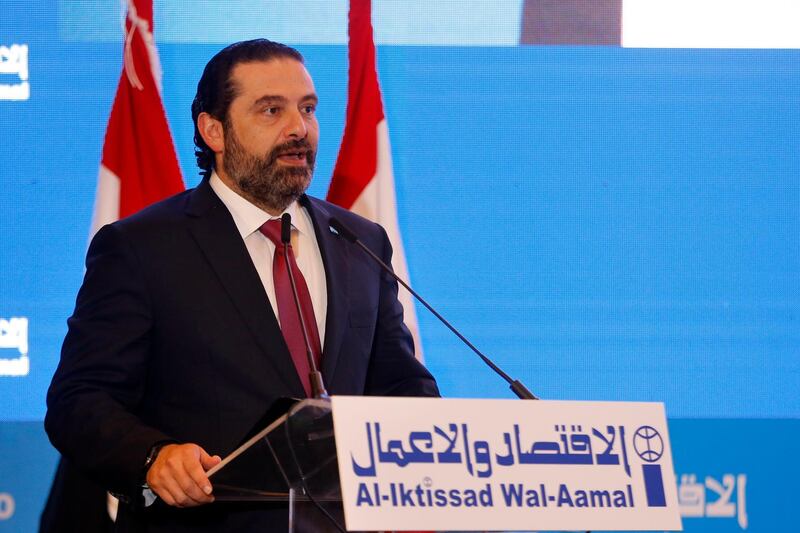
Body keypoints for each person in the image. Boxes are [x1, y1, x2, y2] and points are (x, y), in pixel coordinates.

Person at [45, 39, 439, 532]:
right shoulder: (141, 248)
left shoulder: (359, 240)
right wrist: (153, 457)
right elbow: (79, 400)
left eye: (308, 109)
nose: (299, 128)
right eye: (271, 110)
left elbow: (398, 383)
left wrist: (440, 463)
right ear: (214, 130)